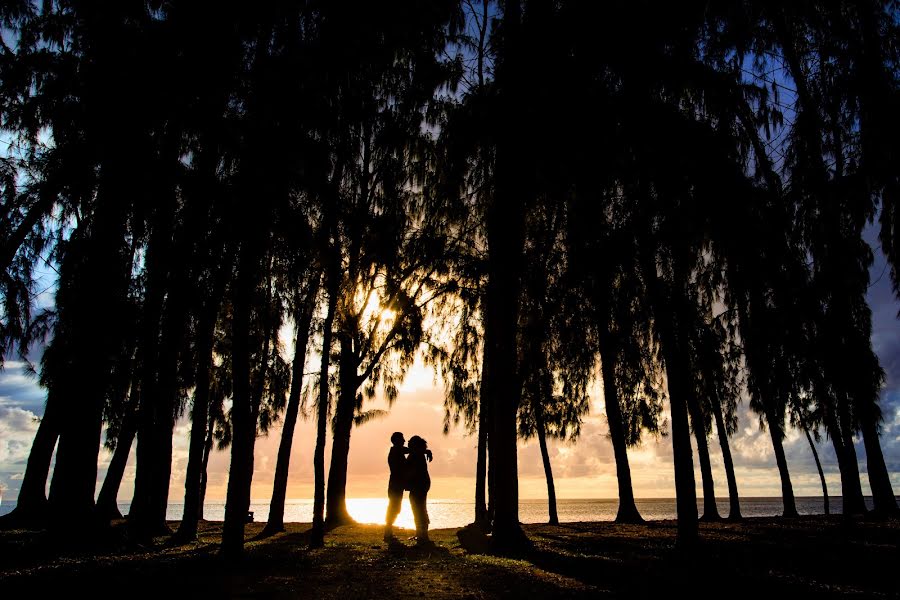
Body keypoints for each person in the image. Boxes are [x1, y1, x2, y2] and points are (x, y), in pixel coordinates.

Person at [405, 435, 432, 545]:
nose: (408, 443)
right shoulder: (418, 453)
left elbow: (413, 471)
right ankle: (421, 534)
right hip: (421, 484)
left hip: (418, 485)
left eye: (410, 442)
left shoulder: (415, 455)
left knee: (418, 508)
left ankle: (422, 535)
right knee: (420, 508)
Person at [384, 431, 407, 542]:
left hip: (397, 484)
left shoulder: (397, 451)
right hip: (395, 484)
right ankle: (388, 531)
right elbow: (410, 450)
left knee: (395, 507)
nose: (404, 440)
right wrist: (425, 450)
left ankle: (388, 531)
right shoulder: (396, 450)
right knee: (394, 507)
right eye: (402, 439)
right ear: (397, 441)